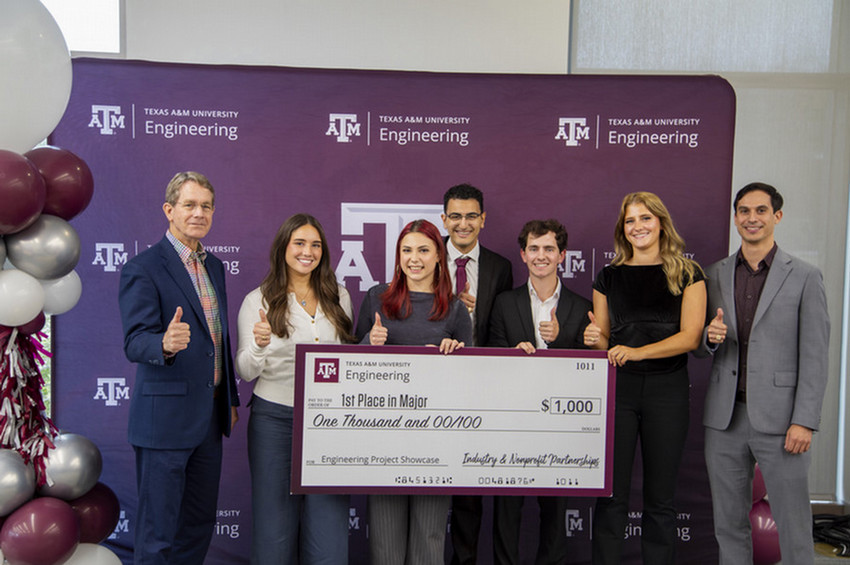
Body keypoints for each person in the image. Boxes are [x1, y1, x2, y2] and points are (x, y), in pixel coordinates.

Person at [697, 182, 829, 565]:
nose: (751, 218)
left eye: (760, 211)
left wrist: (804, 420)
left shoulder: (805, 276)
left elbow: (816, 355)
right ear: (735, 217)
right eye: (744, 211)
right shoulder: (713, 274)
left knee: (793, 525)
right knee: (728, 525)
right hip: (724, 419)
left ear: (777, 217)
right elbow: (700, 345)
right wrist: (710, 337)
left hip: (784, 423)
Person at [118, 171, 240, 565]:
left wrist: (230, 399)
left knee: (198, 525)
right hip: (164, 422)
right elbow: (135, 340)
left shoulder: (215, 267)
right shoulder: (144, 267)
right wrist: (163, 344)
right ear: (169, 210)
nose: (198, 213)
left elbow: (218, 340)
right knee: (158, 532)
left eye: (206, 206)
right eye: (189, 204)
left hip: (209, 419)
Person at [583, 191, 706, 565]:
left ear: (661, 223)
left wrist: (636, 352)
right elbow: (603, 341)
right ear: (623, 229)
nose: (638, 226)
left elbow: (690, 337)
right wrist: (594, 340)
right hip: (619, 392)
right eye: (630, 220)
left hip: (667, 392)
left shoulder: (689, 274)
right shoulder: (608, 276)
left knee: (660, 500)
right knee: (611, 496)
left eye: (645, 218)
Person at [235, 214, 355, 564]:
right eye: (299, 243)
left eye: (315, 245)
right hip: (275, 421)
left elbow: (347, 360)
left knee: (330, 534)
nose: (308, 251)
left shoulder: (339, 296)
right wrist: (258, 345)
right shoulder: (257, 300)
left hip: (328, 423)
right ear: (283, 248)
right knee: (274, 532)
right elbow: (245, 370)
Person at [355, 219, 473, 565]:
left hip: (436, 439)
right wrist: (368, 342)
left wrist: (458, 351)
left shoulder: (454, 308)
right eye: (407, 250)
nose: (414, 258)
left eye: (423, 250)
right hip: (384, 436)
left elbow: (471, 382)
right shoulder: (376, 297)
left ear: (439, 255)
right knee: (385, 541)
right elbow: (350, 365)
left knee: (429, 538)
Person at [487, 218, 590, 565]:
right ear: (523, 254)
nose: (541, 255)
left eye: (549, 249)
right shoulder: (504, 303)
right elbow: (492, 359)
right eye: (534, 248)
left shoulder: (581, 306)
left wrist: (560, 340)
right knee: (507, 511)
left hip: (560, 427)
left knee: (555, 513)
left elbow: (589, 372)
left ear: (562, 255)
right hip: (511, 422)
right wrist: (512, 356)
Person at [441, 183, 513, 565]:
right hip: (431, 385)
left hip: (480, 387)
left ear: (483, 220)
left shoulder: (501, 267)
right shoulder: (424, 253)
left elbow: (502, 326)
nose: (463, 224)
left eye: (471, 216)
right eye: (455, 216)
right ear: (444, 219)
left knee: (470, 485)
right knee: (432, 483)